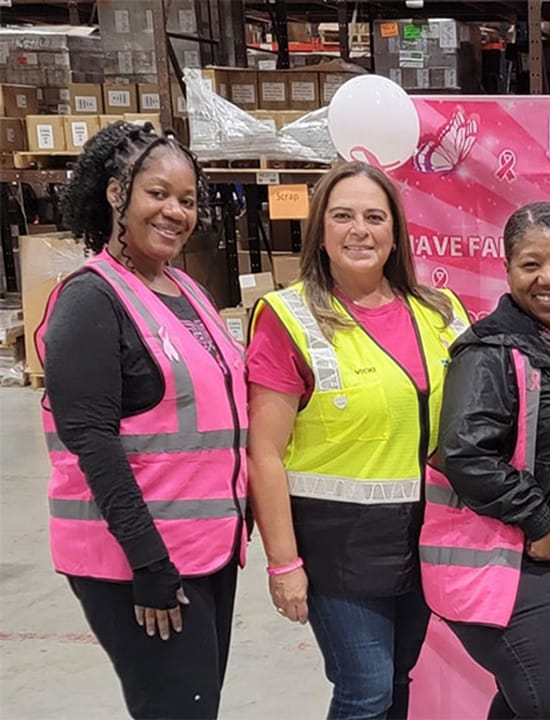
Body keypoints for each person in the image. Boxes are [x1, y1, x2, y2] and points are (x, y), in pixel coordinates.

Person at [37, 121, 247, 718]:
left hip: (206, 550)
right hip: (140, 561)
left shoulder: (184, 289)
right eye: (157, 193)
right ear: (115, 193)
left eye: (186, 200)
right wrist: (149, 565)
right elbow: (91, 444)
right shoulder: (91, 299)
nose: (175, 212)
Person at [245, 161, 469, 720]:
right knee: (366, 689)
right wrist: (282, 563)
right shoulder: (287, 316)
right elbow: (265, 452)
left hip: (422, 540)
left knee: (397, 679)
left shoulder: (442, 312)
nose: (359, 230)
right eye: (342, 216)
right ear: (320, 230)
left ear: (396, 234)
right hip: (335, 549)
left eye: (374, 217)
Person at [422, 201, 550, 719]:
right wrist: (540, 521)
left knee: (523, 702)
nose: (549, 278)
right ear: (507, 270)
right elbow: (464, 452)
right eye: (531, 264)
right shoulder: (489, 351)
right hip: (513, 563)